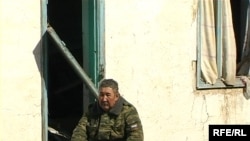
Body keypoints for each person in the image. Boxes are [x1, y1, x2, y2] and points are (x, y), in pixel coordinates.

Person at [70, 79, 144, 141]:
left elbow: (136, 137)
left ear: (116, 96)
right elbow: (79, 132)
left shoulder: (128, 111)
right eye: (101, 95)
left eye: (108, 95)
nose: (104, 99)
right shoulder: (92, 111)